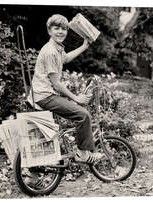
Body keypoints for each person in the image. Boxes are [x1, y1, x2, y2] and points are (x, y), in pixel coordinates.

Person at [28, 14, 99, 163]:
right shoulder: (50, 52)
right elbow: (56, 84)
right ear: (49, 31)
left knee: (69, 121)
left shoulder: (56, 47)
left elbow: (65, 59)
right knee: (83, 115)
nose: (61, 32)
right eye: (56, 28)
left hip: (45, 94)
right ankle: (82, 154)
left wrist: (83, 46)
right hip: (45, 96)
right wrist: (76, 98)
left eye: (64, 29)